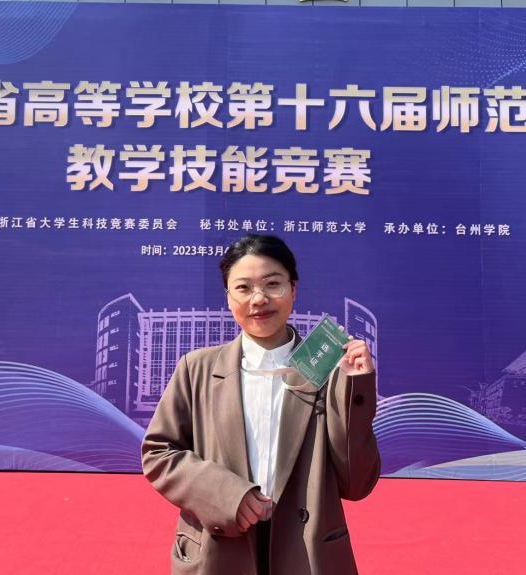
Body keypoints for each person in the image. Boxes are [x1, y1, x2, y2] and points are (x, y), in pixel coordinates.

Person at [142, 234, 381, 574]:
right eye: (243, 288)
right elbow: (158, 452)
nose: (259, 299)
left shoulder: (330, 369)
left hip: (308, 551)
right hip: (219, 546)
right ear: (228, 298)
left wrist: (355, 388)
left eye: (273, 284)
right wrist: (226, 494)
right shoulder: (196, 368)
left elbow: (357, 484)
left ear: (293, 289)